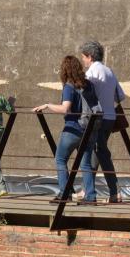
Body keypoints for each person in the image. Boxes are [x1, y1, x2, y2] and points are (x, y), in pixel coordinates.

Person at [33, 55, 96, 198]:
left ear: (65, 70)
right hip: (89, 129)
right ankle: (91, 196)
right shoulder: (89, 84)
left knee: (60, 159)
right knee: (85, 165)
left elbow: (65, 108)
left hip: (72, 128)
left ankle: (65, 192)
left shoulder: (69, 86)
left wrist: (48, 105)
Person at [78, 40, 125, 205]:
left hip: (97, 119)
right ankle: (87, 189)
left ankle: (115, 191)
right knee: (96, 152)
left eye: (83, 57)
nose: (83, 60)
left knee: (101, 154)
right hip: (110, 117)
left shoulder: (91, 73)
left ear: (89, 57)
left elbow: (85, 95)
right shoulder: (109, 71)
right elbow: (121, 95)